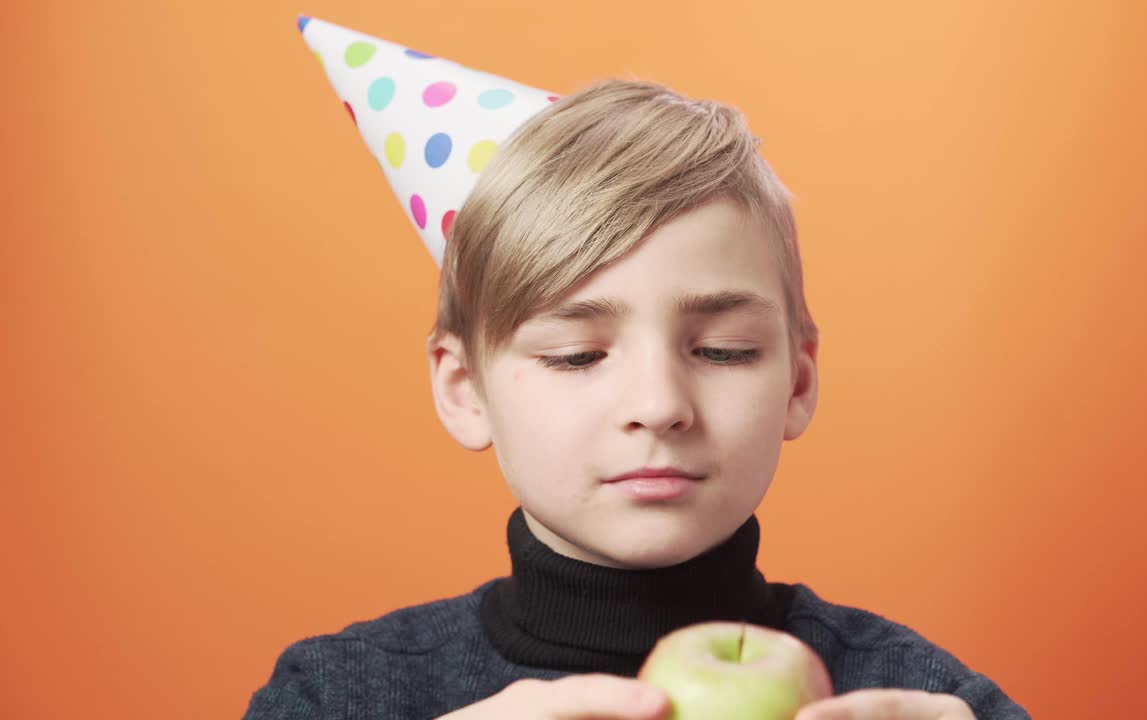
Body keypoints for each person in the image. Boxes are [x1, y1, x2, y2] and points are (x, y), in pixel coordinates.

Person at [245, 18, 1030, 720]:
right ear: (463, 388)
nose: (659, 406)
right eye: (576, 354)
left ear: (796, 380)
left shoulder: (925, 698)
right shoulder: (334, 698)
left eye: (723, 349)